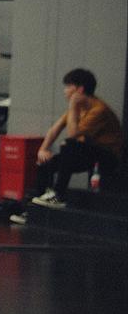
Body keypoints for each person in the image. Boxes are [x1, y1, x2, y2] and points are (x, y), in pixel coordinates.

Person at [31, 68, 123, 209]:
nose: (65, 91)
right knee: (45, 163)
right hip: (89, 152)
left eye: (68, 86)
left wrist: (73, 105)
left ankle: (59, 195)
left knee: (69, 144)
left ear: (80, 90)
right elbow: (55, 129)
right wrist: (43, 150)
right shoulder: (79, 108)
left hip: (108, 156)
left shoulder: (99, 110)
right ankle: (35, 208)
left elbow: (72, 134)